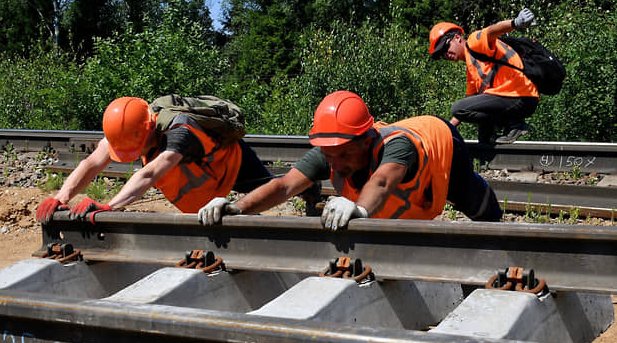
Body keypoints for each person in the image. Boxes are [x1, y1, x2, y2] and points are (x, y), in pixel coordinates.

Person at [197, 90, 502, 230]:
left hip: (443, 141)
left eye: (343, 153)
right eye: (330, 154)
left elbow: (382, 181)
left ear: (367, 139)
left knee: (473, 203)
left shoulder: (398, 148)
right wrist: (236, 207)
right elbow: (283, 187)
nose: (335, 162)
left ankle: (495, 221)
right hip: (410, 170)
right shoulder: (331, 150)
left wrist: (358, 208)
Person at [35, 96, 275, 223]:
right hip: (203, 188)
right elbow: (92, 163)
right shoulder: (130, 129)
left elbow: (149, 174)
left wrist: (109, 206)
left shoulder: (180, 131)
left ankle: (310, 194)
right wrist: (60, 198)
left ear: (149, 129)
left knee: (272, 190)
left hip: (229, 165)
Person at [429, 9, 539, 145]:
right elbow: (469, 101)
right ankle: (498, 146)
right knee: (485, 138)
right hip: (514, 99)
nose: (446, 54)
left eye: (445, 47)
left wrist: (515, 23)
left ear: (457, 38)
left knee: (457, 108)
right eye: (442, 54)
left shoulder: (473, 41)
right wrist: (449, 128)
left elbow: (491, 31)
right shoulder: (471, 66)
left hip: (519, 96)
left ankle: (514, 124)